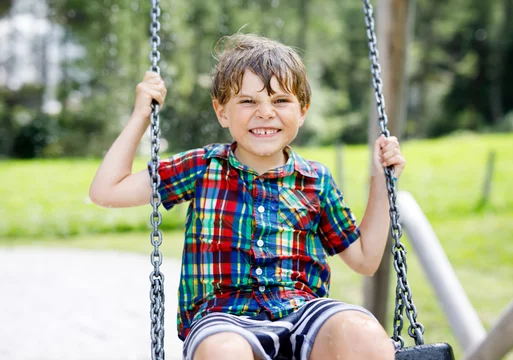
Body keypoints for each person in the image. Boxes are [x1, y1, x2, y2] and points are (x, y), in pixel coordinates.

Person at [89, 33, 404, 360]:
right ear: (222, 111)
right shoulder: (203, 167)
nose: (266, 112)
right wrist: (142, 115)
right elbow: (106, 190)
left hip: (303, 314)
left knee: (361, 333)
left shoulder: (315, 180)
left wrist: (382, 181)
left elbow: (365, 260)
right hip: (222, 319)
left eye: (281, 101)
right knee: (224, 352)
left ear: (303, 111)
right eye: (248, 101)